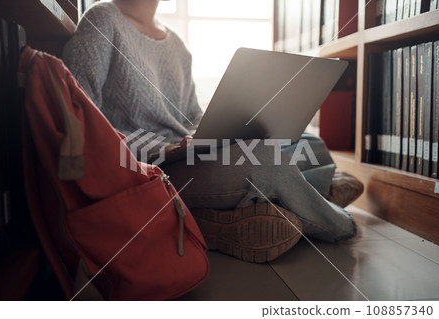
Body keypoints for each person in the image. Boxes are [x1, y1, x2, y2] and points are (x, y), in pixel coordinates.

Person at [63, 0, 363, 262]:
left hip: (192, 156)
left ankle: (260, 208)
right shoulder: (101, 20)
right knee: (266, 162)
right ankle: (330, 217)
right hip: (153, 170)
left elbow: (190, 115)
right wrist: (165, 149)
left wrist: (220, 132)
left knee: (312, 146)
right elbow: (83, 124)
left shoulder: (176, 44)